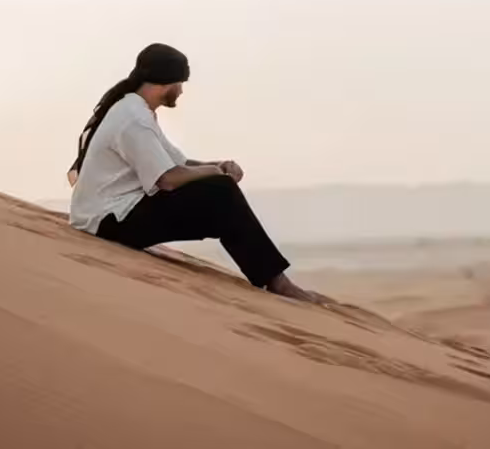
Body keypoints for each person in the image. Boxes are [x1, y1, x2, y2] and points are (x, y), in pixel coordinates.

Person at [67, 43, 319, 302]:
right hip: (107, 223)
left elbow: (180, 163)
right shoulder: (134, 119)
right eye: (181, 82)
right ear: (167, 82)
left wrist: (218, 165)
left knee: (220, 193)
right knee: (221, 193)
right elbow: (166, 179)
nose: (182, 90)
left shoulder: (136, 110)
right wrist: (215, 173)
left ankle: (271, 277)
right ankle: (276, 282)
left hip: (114, 215)